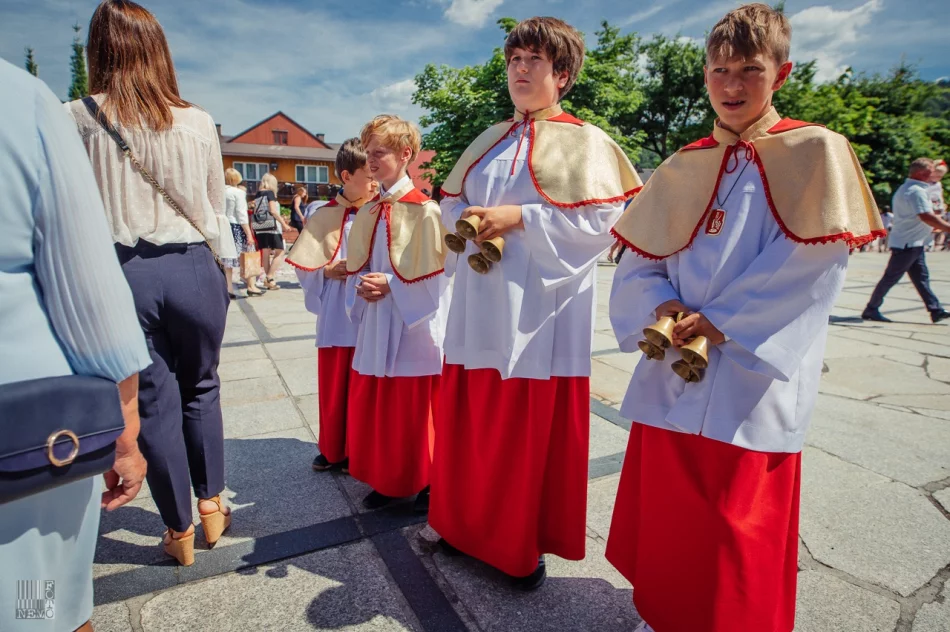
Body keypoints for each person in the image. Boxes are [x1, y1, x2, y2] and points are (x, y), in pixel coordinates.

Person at [605, 5, 884, 631]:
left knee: (735, 514)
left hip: (747, 367)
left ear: (780, 74)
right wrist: (663, 304)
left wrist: (721, 321)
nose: (731, 86)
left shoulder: (816, 150)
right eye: (719, 70)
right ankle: (666, 612)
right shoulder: (686, 161)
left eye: (749, 71)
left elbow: (813, 264)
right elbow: (641, 256)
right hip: (676, 352)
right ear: (705, 74)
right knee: (675, 506)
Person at [429, 16, 642, 591]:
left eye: (534, 61)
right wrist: (467, 218)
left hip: (536, 314)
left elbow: (605, 219)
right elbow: (447, 201)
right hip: (477, 307)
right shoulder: (489, 139)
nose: (521, 70)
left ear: (562, 75)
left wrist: (520, 216)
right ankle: (460, 523)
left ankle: (517, 544)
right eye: (514, 61)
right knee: (471, 420)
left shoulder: (589, 142)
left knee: (520, 429)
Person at [66, 0, 233, 567]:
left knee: (154, 400)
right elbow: (214, 208)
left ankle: (178, 529)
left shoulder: (78, 118)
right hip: (193, 264)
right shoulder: (196, 120)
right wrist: (224, 274)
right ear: (158, 50)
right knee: (203, 386)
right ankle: (213, 507)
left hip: (122, 271)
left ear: (99, 50)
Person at [0, 59, 151, 632]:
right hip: (21, 435)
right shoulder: (19, 98)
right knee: (32, 604)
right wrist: (124, 429)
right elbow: (87, 287)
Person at [344, 115, 449, 512]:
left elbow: (440, 278)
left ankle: (425, 479)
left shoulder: (426, 211)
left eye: (379, 153)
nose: (370, 161)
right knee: (383, 401)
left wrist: (391, 285)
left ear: (406, 154)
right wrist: (364, 286)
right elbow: (364, 261)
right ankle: (389, 478)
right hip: (378, 317)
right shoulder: (370, 210)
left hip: (411, 324)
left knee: (413, 405)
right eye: (368, 153)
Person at [287, 139, 377, 472]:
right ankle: (334, 448)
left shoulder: (381, 210)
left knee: (366, 385)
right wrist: (326, 271)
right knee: (336, 383)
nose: (374, 182)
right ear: (345, 175)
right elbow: (302, 263)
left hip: (370, 307)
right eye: (368, 176)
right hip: (337, 310)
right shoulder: (320, 214)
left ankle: (362, 448)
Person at [862, 158, 950, 324]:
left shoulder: (907, 188)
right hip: (907, 244)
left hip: (914, 242)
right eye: (931, 171)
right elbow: (926, 216)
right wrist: (948, 228)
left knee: (921, 278)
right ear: (921, 173)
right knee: (891, 278)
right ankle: (871, 309)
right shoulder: (916, 191)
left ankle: (935, 309)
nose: (934, 174)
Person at [250, 172, 291, 290]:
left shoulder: (258, 195)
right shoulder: (270, 193)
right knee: (280, 252)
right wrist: (284, 224)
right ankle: (269, 277)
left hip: (260, 227)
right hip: (272, 227)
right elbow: (273, 211)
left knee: (266, 253)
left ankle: (269, 281)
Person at [223, 168, 260, 297]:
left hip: (224, 226)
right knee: (248, 254)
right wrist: (249, 233)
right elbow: (241, 214)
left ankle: (229, 288)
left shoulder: (221, 191)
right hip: (237, 227)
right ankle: (251, 285)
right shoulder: (238, 193)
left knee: (228, 260)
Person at [929, 159, 948, 250]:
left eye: (940, 176)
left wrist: (942, 205)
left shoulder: (938, 184)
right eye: (936, 175)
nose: (938, 178)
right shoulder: (926, 183)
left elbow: (939, 196)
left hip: (937, 204)